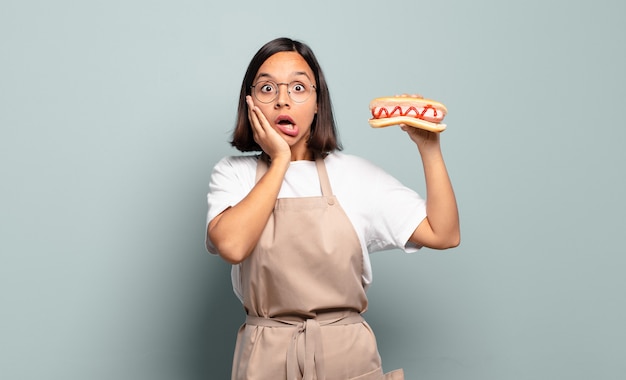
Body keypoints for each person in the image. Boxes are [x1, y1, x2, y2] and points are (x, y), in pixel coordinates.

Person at [205, 37, 460, 380]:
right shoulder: (234, 174)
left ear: (317, 103)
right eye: (267, 88)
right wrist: (280, 159)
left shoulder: (354, 175)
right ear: (250, 102)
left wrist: (429, 148)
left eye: (298, 87)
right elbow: (232, 245)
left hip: (346, 355)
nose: (283, 100)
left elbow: (444, 233)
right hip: (264, 356)